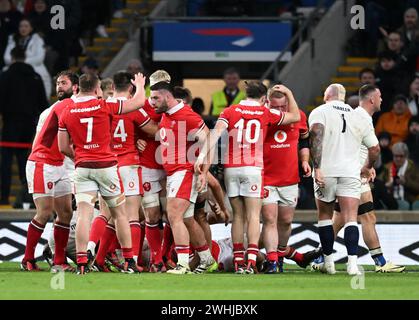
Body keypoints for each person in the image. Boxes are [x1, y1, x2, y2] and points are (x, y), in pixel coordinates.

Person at [196, 82, 301, 274]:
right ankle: (251, 261)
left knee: (238, 216)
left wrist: (202, 158)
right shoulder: (264, 112)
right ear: (264, 99)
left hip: (232, 168)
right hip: (253, 169)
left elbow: (214, 135)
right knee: (253, 216)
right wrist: (289, 92)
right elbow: (295, 116)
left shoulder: (230, 110)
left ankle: (238, 261)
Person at [57, 72, 147, 275]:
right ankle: (129, 262)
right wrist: (140, 85)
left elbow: (63, 146)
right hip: (106, 167)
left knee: (84, 215)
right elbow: (139, 102)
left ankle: (81, 261)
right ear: (98, 89)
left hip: (83, 168)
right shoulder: (104, 105)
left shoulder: (67, 111)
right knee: (120, 214)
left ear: (78, 88)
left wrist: (78, 156)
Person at [312, 84, 405, 273]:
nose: (381, 100)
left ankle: (322, 255)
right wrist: (366, 167)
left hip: (346, 171)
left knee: (340, 217)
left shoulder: (357, 115)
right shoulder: (360, 116)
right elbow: (371, 148)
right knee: (364, 216)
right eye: (379, 96)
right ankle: (378, 262)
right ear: (372, 99)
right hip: (354, 173)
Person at [149, 70, 217, 275]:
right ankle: (207, 260)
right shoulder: (167, 115)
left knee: (174, 215)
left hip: (185, 171)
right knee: (186, 218)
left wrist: (203, 168)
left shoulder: (186, 115)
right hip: (173, 173)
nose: (152, 102)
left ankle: (182, 264)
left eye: (155, 98)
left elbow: (208, 139)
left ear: (167, 97)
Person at [308, 83, 380, 275]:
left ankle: (329, 263)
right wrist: (367, 167)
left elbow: (316, 135)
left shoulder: (320, 111)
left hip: (328, 171)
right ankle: (352, 265)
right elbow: (375, 149)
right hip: (350, 172)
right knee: (350, 219)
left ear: (327, 95)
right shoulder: (358, 115)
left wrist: (317, 168)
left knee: (325, 218)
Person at [91, 72, 159, 272]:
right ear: (131, 87)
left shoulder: (103, 106)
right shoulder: (133, 107)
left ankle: (94, 255)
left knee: (107, 214)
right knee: (131, 216)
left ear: (112, 85)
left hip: (107, 165)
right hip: (128, 164)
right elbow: (154, 130)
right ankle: (133, 261)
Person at [21, 70, 78, 271]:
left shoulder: (66, 107)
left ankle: (59, 261)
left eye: (63, 83)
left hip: (59, 163)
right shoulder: (61, 108)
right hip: (42, 163)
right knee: (44, 212)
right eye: (57, 83)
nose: (59, 87)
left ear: (75, 87)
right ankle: (27, 259)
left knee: (65, 213)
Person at [262, 85, 319, 273]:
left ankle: (280, 254)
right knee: (270, 219)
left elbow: (304, 140)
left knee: (285, 221)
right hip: (265, 178)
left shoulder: (299, 116)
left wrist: (304, 161)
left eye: (283, 107)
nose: (279, 112)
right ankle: (272, 261)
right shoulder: (262, 116)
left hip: (289, 178)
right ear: (267, 103)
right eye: (275, 107)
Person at [0, 47, 48, 206]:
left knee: (6, 162)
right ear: (25, 57)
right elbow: (43, 104)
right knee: (25, 162)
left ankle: (4, 197)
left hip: (10, 123)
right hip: (29, 124)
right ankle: (27, 198)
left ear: (12, 58)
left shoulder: (5, 76)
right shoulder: (35, 76)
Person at [3, 18, 52, 98]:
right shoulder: (12, 39)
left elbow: (39, 58)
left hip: (35, 67)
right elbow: (6, 58)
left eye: (26, 26)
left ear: (31, 28)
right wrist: (18, 63)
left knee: (41, 77)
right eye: (21, 26)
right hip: (14, 67)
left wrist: (21, 62)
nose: (23, 28)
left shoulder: (38, 39)